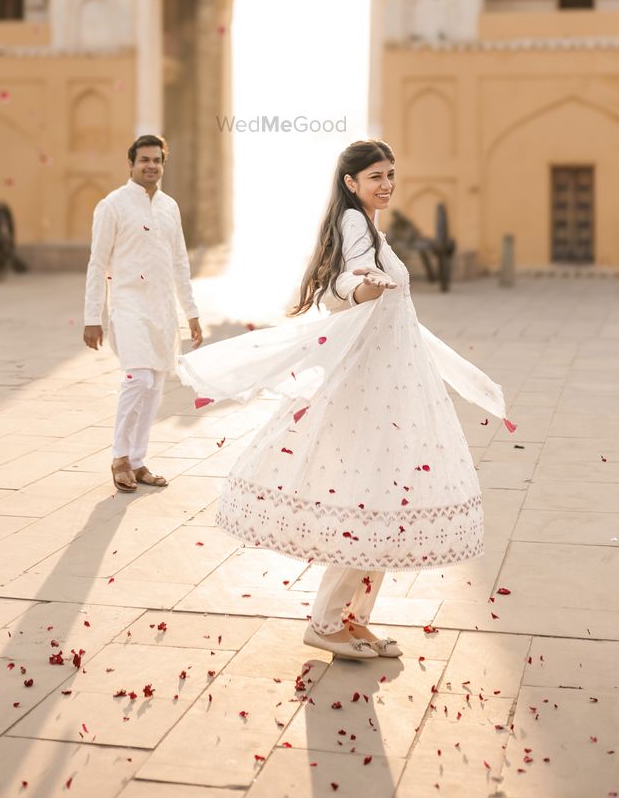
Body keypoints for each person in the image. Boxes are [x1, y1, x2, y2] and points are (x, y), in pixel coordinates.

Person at [179, 139, 508, 661]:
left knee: (384, 500)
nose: (387, 184)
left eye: (391, 174)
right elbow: (343, 281)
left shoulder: (371, 227)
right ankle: (327, 621)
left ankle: (353, 620)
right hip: (373, 388)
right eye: (376, 176)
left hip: (392, 381)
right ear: (351, 183)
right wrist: (363, 287)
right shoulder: (355, 225)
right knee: (374, 498)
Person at [83, 134, 203, 492]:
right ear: (131, 164)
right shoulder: (113, 205)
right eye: (144, 160)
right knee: (139, 380)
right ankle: (119, 457)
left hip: (162, 309)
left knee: (156, 387)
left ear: (163, 164)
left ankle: (137, 461)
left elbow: (180, 262)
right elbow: (97, 262)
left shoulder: (169, 207)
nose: (150, 166)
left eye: (156, 160)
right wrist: (93, 316)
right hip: (128, 304)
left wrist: (191, 313)